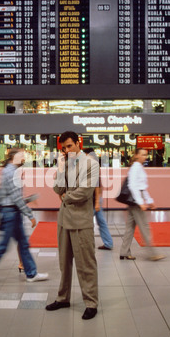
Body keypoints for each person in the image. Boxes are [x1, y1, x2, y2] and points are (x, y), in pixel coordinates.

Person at [46, 131, 99, 320]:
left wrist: (65, 197)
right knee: (64, 263)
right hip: (64, 221)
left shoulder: (91, 164)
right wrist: (60, 169)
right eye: (64, 148)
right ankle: (63, 298)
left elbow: (84, 193)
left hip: (81, 221)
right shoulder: (65, 164)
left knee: (86, 264)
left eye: (69, 146)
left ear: (78, 143)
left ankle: (91, 302)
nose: (67, 150)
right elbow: (57, 189)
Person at [0, 148, 48, 286]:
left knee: (23, 243)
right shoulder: (10, 172)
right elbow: (16, 197)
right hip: (10, 213)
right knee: (3, 245)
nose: (23, 159)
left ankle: (31, 273)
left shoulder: (11, 171)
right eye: (21, 156)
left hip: (13, 212)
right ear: (13, 157)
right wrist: (30, 215)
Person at [119, 148, 165, 262]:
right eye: (142, 155)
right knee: (144, 227)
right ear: (136, 155)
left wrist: (149, 200)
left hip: (134, 201)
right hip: (135, 201)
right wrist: (141, 202)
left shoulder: (139, 167)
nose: (145, 157)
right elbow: (133, 186)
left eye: (146, 155)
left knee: (130, 228)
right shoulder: (136, 168)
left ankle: (124, 252)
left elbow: (142, 187)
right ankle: (153, 253)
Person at [84, 148, 113, 250]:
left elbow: (96, 185)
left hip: (93, 199)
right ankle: (108, 243)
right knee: (101, 222)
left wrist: (96, 201)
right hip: (97, 198)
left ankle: (87, 244)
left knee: (86, 222)